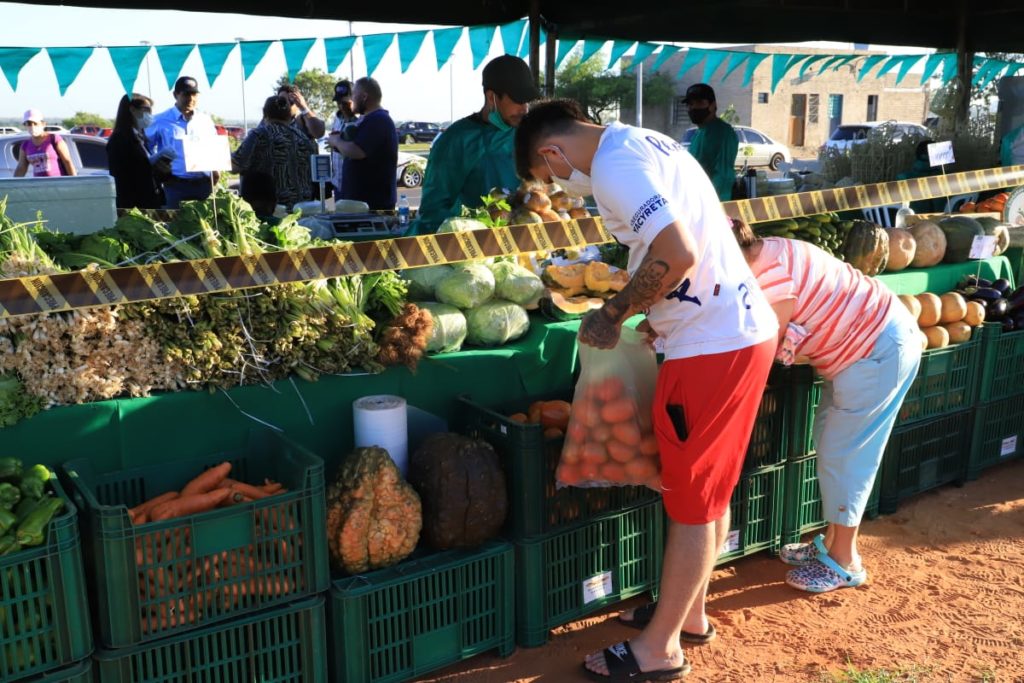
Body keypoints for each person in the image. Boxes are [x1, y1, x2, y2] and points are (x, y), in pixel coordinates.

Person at [516, 99, 777, 682]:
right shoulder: (643, 141)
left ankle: (659, 650)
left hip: (713, 346)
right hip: (729, 333)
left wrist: (614, 311)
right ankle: (690, 616)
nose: (562, 185)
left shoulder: (613, 166)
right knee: (706, 489)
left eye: (549, 175)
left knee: (689, 501)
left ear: (551, 152)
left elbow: (676, 252)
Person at [730, 220, 922, 594]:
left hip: (876, 350)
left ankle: (845, 561)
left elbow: (766, 347)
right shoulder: (766, 249)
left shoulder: (769, 279)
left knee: (846, 454)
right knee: (830, 444)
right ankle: (832, 542)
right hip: (860, 350)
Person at [409, 55, 540, 234]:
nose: (524, 108)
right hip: (475, 243)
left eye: (527, 101)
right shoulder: (456, 140)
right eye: (517, 100)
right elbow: (434, 209)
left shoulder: (528, 133)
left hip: (527, 239)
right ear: (491, 97)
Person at [232, 95, 318, 209]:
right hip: (303, 208)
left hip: (271, 209)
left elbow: (235, 166)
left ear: (265, 114)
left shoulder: (259, 135)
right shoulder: (305, 139)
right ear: (290, 115)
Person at [146, 76, 220, 208]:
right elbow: (146, 148)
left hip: (203, 185)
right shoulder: (160, 120)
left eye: (194, 94)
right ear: (176, 95)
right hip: (175, 185)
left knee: (203, 227)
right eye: (186, 94)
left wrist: (216, 170)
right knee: (173, 226)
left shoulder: (205, 120)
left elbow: (213, 148)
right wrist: (157, 166)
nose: (191, 99)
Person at [327, 77, 398, 211]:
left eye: (354, 95)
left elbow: (357, 151)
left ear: (364, 97)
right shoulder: (369, 119)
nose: (351, 99)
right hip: (361, 202)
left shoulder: (378, 120)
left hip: (372, 204)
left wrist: (336, 141)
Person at [106, 93, 164, 209]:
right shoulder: (119, 139)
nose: (150, 114)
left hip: (151, 199)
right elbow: (123, 175)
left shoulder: (141, 137)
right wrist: (149, 165)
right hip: (133, 204)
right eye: (146, 110)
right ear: (132, 110)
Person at [684, 83, 738, 201]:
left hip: (713, 203)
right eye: (690, 104)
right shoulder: (698, 133)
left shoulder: (723, 132)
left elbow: (723, 175)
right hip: (696, 200)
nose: (693, 108)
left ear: (713, 105)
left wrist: (710, 203)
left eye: (699, 103)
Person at [14, 109, 76, 178]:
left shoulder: (54, 139)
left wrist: (74, 181)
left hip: (59, 184)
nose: (32, 126)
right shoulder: (25, 146)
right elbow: (21, 167)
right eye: (28, 124)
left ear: (43, 124)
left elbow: (67, 161)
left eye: (35, 123)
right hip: (40, 186)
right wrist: (13, 185)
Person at [328, 80, 358, 199]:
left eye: (345, 103)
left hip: (355, 185)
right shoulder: (337, 119)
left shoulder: (362, 121)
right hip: (338, 184)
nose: (341, 106)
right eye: (339, 102)